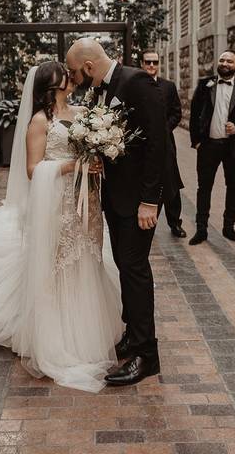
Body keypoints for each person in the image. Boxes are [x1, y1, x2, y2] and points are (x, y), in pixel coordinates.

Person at [0, 62, 123, 392]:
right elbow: (34, 169)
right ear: (54, 83)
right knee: (60, 261)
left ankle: (89, 325)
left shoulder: (82, 111)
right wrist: (72, 165)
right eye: (66, 75)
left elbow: (94, 143)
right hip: (58, 201)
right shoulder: (39, 121)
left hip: (86, 199)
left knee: (87, 255)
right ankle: (62, 334)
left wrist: (97, 155)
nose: (72, 78)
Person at [66, 38, 167, 386]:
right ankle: (132, 334)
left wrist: (150, 201)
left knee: (135, 268)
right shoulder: (102, 89)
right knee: (125, 265)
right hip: (117, 196)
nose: (77, 81)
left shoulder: (136, 81)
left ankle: (146, 355)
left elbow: (158, 142)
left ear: (90, 66)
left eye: (77, 73)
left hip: (139, 199)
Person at [188, 51, 235, 245]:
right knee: (204, 187)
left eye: (229, 61)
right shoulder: (205, 85)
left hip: (233, 146)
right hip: (208, 145)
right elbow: (194, 113)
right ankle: (201, 229)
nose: (225, 63)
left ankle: (229, 227)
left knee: (233, 187)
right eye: (222, 60)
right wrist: (196, 141)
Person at [141, 49, 186, 238]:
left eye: (155, 62)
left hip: (166, 142)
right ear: (142, 64)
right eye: (148, 62)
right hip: (144, 143)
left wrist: (164, 129)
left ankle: (175, 222)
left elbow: (176, 112)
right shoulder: (136, 86)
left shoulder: (168, 86)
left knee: (171, 182)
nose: (152, 65)